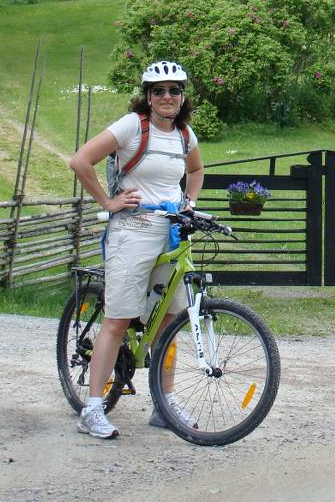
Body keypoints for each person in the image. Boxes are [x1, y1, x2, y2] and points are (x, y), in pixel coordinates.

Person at [68, 60, 204, 439]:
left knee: (169, 320)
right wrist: (107, 202)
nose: (166, 97)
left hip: (172, 231)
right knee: (117, 319)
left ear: (182, 97)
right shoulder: (132, 126)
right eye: (158, 91)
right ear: (147, 97)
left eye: (173, 90)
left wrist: (188, 201)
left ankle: (164, 403)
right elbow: (80, 160)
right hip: (134, 228)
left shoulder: (184, 135)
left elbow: (195, 172)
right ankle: (93, 409)